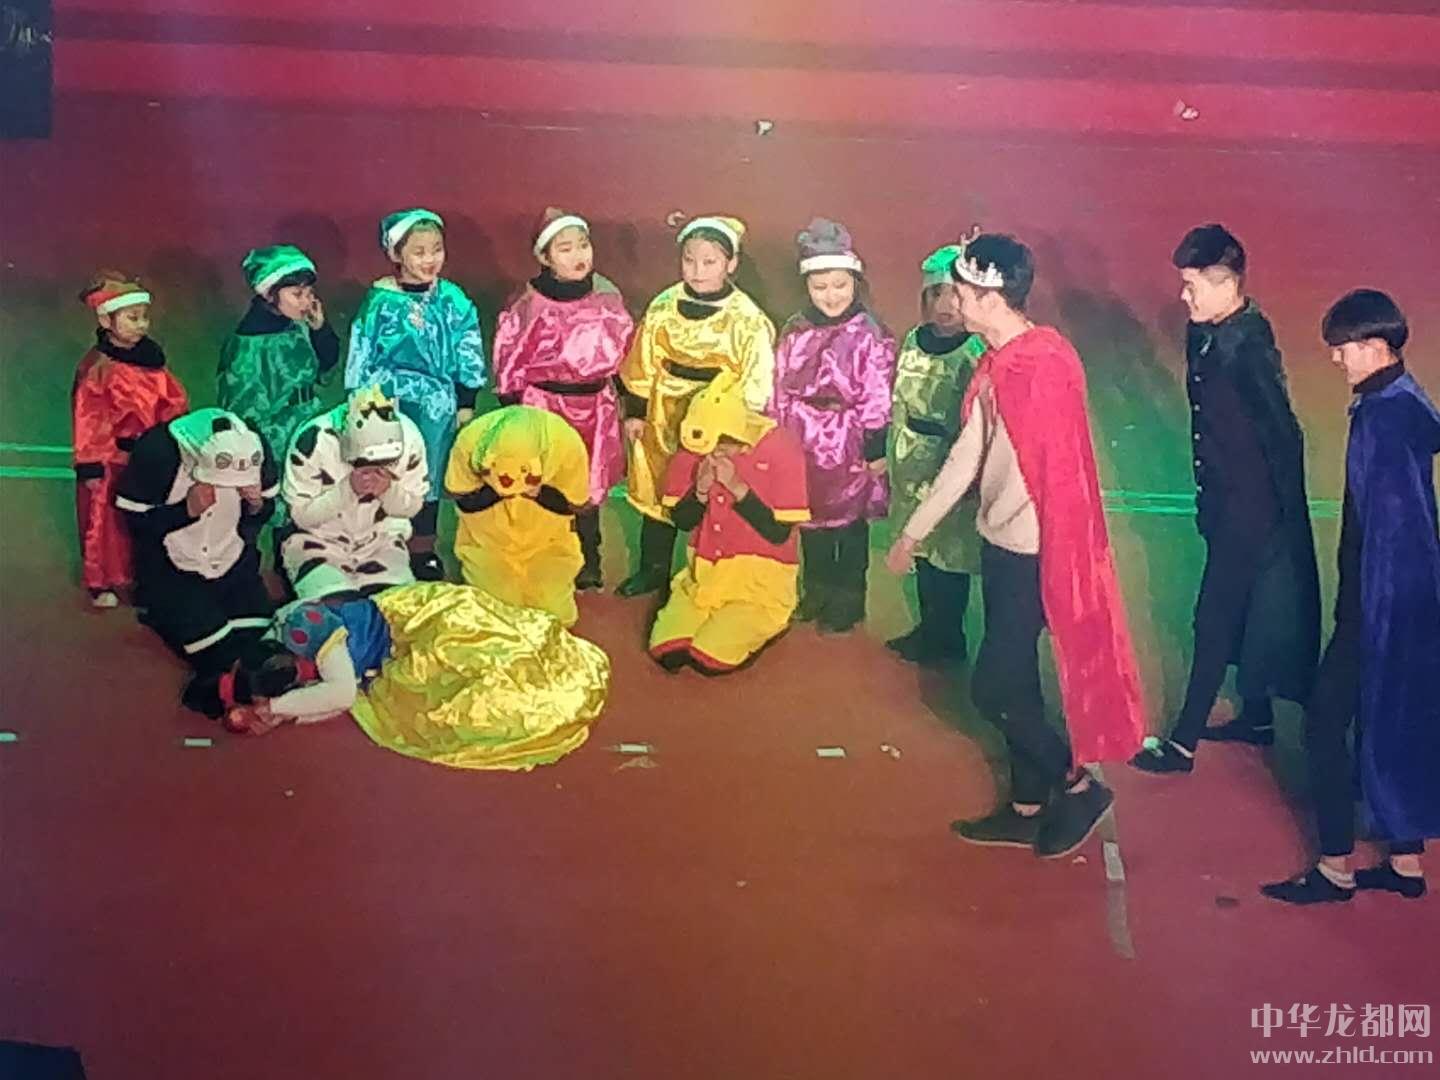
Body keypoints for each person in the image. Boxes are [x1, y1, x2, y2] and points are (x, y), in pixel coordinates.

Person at [885, 234, 1146, 858]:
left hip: (1032, 552)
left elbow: (1052, 472)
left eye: (962, 292)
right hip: (1000, 543)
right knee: (1017, 678)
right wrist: (915, 530)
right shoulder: (998, 362)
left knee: (993, 685)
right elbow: (969, 453)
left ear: (990, 297)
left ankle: (1075, 784)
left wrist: (924, 528)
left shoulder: (1041, 367)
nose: (953, 302)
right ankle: (1028, 805)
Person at [1262, 290, 1439, 904]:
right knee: (1394, 715)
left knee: (1325, 722)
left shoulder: (1382, 418)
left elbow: (1389, 527)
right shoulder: (1401, 401)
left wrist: (1364, 611)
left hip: (1378, 602)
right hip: (1408, 599)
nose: (1336, 358)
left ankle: (1335, 865)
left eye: (1343, 348)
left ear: (1376, 346)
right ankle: (1405, 861)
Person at [1132, 225, 1320, 774]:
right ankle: (1256, 716)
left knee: (1213, 618)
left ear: (1226, 283)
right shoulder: (1206, 332)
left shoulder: (1249, 348)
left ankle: (1183, 743)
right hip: (1224, 502)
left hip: (1250, 510)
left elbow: (1284, 433)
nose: (1183, 296)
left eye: (1192, 285)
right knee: (1248, 609)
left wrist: (1278, 519)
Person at [207, 581, 612, 772]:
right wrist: (284, 713)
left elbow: (342, 694)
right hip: (401, 625)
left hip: (415, 626)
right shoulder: (281, 639)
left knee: (473, 678)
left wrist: (278, 708)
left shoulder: (314, 638)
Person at [616, 214, 776, 597]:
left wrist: (739, 427)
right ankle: (653, 568)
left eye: (710, 262)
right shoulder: (664, 306)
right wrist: (636, 411)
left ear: (731, 264)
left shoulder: (746, 318)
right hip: (665, 413)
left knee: (709, 490)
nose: (698, 271)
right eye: (690, 260)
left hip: (716, 418)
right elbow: (643, 360)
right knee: (660, 490)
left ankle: (708, 574)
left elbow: (756, 377)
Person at [493, 208, 633, 590]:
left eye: (583, 245)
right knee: (544, 481)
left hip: (594, 407)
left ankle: (588, 557)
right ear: (545, 256)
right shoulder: (530, 303)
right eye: (565, 248)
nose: (578, 256)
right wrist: (513, 407)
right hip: (546, 406)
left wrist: (630, 402)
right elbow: (510, 355)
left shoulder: (606, 298)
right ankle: (544, 553)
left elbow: (625, 354)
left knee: (587, 486)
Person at [347, 209, 486, 580]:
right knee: (386, 467)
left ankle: (423, 548)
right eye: (419, 252)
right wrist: (360, 401)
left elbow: (468, 347)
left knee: (428, 474)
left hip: (436, 404)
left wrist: (467, 400)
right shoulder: (379, 302)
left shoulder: (451, 299)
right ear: (397, 254)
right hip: (387, 401)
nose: (430, 259)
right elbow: (361, 352)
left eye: (436, 250)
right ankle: (380, 545)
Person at [770, 218, 894, 634]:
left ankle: (848, 598)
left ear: (855, 282)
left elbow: (877, 392)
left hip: (847, 439)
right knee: (810, 519)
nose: (831, 295)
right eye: (820, 287)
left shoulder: (868, 334)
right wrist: (776, 432)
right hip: (801, 434)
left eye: (840, 285)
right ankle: (816, 590)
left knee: (849, 524)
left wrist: (874, 446)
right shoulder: (795, 329)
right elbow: (779, 383)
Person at [649, 371, 809, 675]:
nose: (713, 454)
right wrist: (700, 491)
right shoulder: (694, 444)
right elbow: (683, 522)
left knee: (708, 659)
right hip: (705, 576)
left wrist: (739, 489)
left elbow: (778, 533)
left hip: (760, 582)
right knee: (666, 651)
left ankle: (773, 621)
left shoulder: (782, 446)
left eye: (723, 447)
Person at [115, 409, 277, 682]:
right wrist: (185, 511)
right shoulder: (158, 450)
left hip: (232, 563)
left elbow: (262, 515)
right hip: (173, 571)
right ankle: (159, 613)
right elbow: (136, 526)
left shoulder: (254, 443)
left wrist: (256, 505)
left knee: (261, 648)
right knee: (218, 657)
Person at [885, 244, 987, 665]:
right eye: (936, 295)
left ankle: (948, 635)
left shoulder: (974, 352)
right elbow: (899, 398)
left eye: (955, 296)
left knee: (949, 557)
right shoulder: (914, 339)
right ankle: (929, 628)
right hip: (912, 458)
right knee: (921, 549)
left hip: (950, 462)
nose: (945, 307)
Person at [71, 271, 189, 609]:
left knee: (144, 518)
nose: (141, 325)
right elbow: (89, 418)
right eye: (132, 318)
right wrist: (91, 464)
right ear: (106, 321)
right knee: (106, 524)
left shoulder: (153, 364)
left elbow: (174, 402)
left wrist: (173, 439)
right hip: (112, 458)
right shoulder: (99, 369)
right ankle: (101, 580)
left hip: (148, 456)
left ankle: (142, 577)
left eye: (144, 318)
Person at [446, 405, 591, 627]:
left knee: (556, 618)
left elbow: (575, 506)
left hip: (548, 543)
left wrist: (540, 494)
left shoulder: (565, 444)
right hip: (486, 543)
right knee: (492, 618)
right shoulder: (471, 440)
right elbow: (463, 499)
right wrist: (499, 491)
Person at [279, 386, 429, 600]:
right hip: (317, 540)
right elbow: (301, 516)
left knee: (393, 607)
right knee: (333, 608)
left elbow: (412, 507)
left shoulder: (410, 438)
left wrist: (388, 490)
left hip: (382, 540)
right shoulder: (314, 440)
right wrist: (348, 490)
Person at [217, 245, 339, 494]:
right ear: (270, 295)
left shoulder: (298, 325)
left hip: (309, 425)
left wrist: (320, 330)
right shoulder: (248, 345)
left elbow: (325, 366)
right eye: (297, 294)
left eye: (309, 293)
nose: (306, 302)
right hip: (278, 439)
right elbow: (244, 411)